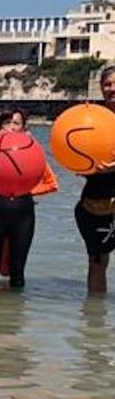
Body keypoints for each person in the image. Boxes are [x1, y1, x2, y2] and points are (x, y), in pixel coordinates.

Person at [0, 108, 57, 290]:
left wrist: (24, 191)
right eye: (6, 123)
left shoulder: (32, 151)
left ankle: (16, 315)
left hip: (22, 211)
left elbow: (52, 184)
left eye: (16, 123)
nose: (11, 128)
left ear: (24, 129)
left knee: (17, 269)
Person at [74, 65, 115, 294]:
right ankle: (95, 324)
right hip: (97, 199)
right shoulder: (93, 119)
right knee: (97, 261)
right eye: (107, 84)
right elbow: (79, 151)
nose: (112, 89)